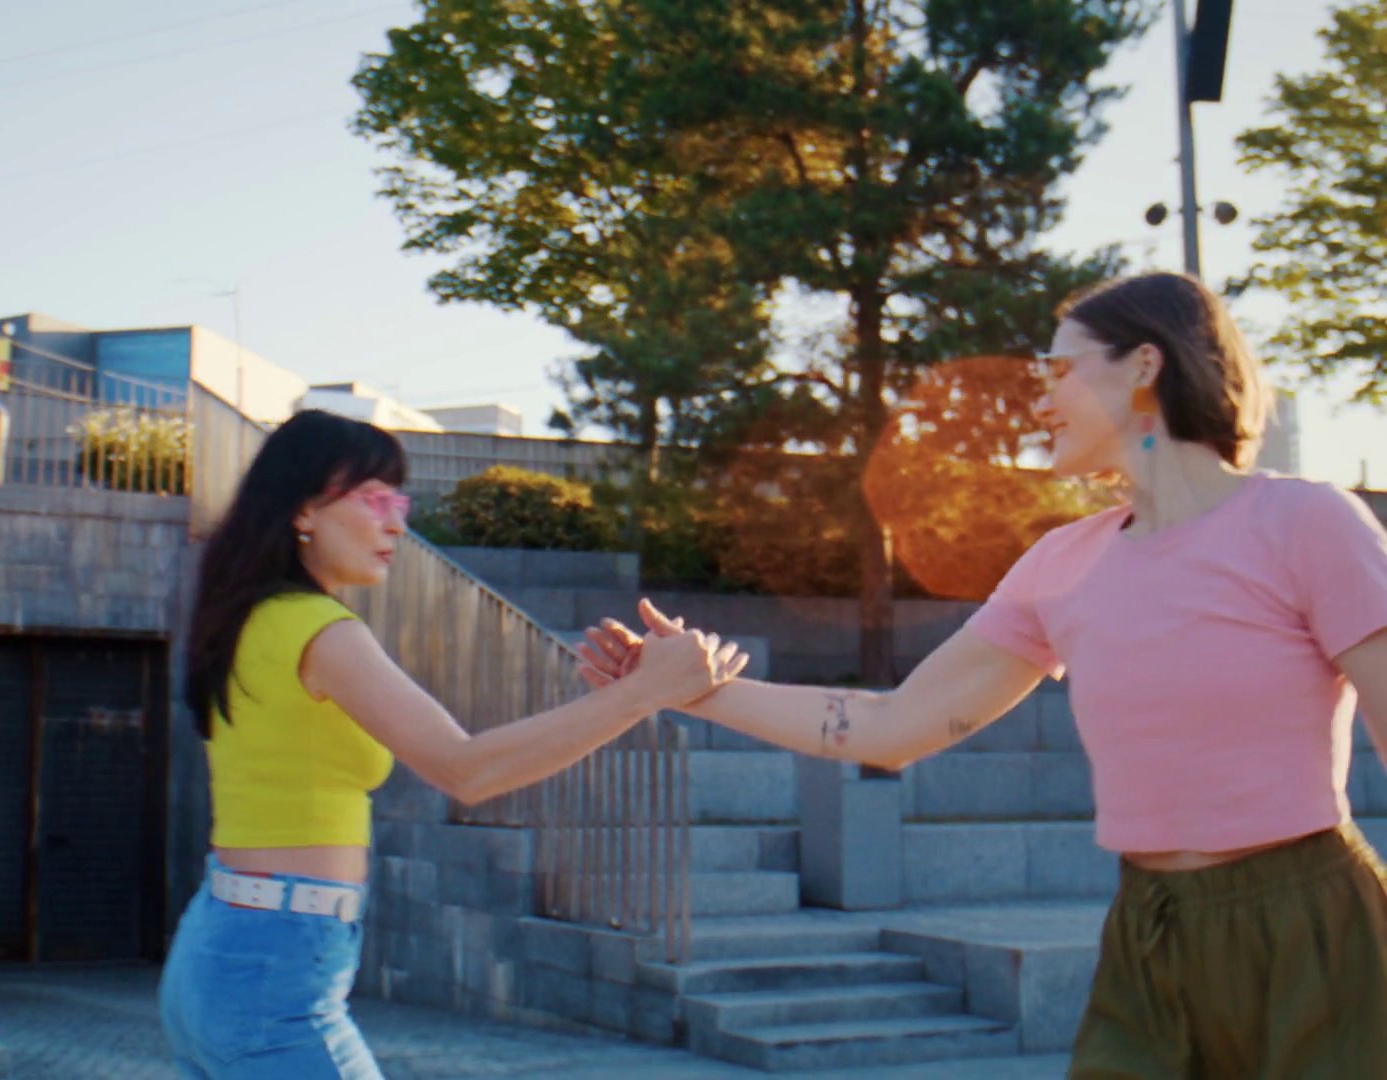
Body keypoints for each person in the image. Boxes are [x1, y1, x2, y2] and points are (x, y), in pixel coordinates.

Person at [579, 272, 1387, 1078]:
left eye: (1060, 370)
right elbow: (894, 726)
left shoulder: (1306, 523)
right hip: (1147, 935)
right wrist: (692, 689)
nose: (1041, 401)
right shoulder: (1062, 564)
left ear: (1145, 366)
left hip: (1312, 927)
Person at [158, 409, 746, 1080]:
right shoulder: (320, 630)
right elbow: (466, 769)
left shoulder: (251, 618)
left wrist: (636, 694)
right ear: (303, 509)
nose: (396, 524)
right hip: (274, 974)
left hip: (222, 948)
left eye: (399, 502)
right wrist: (643, 694)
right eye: (374, 499)